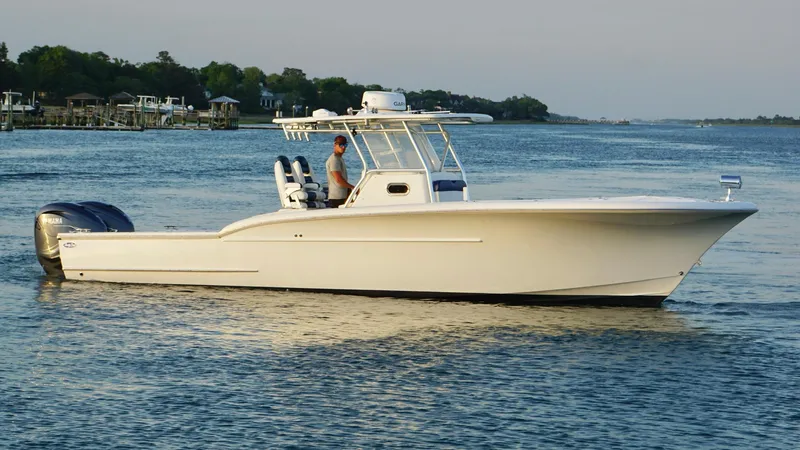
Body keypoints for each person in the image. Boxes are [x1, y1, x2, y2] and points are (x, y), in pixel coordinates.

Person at [326, 135, 355, 207]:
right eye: (341, 144)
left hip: (342, 196)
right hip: (336, 198)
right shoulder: (334, 159)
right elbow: (338, 179)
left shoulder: (339, 158)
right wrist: (353, 188)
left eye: (345, 145)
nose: (343, 147)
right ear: (335, 144)